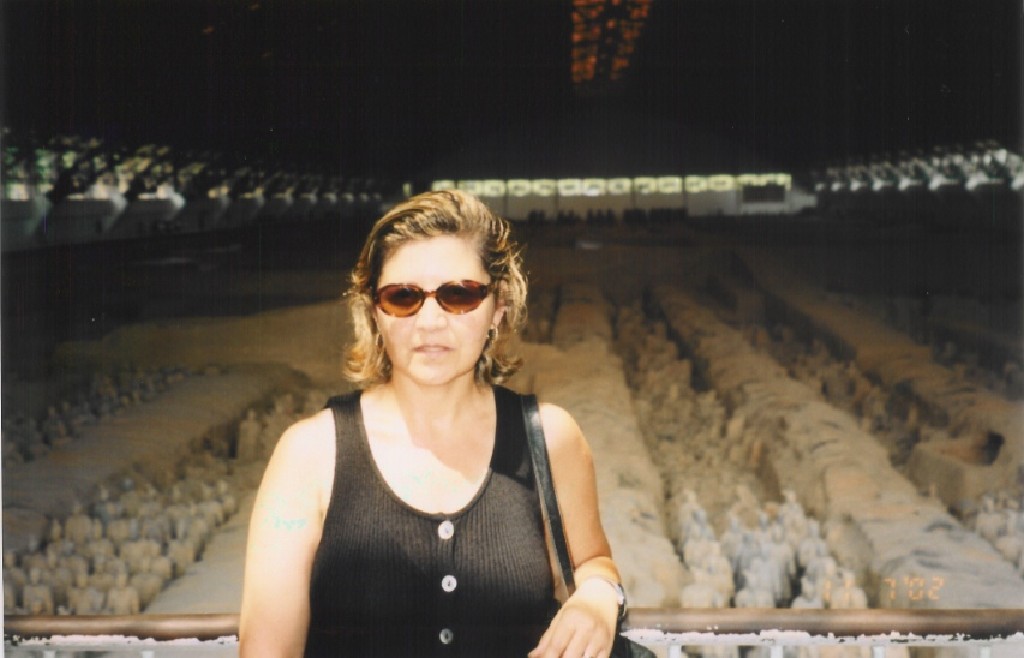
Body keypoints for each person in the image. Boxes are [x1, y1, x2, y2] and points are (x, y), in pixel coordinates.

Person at [240, 190, 624, 658]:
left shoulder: (550, 439)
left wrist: (600, 596)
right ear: (374, 311)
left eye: (458, 295)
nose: (430, 322)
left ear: (498, 307)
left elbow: (592, 560)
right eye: (403, 298)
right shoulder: (309, 456)